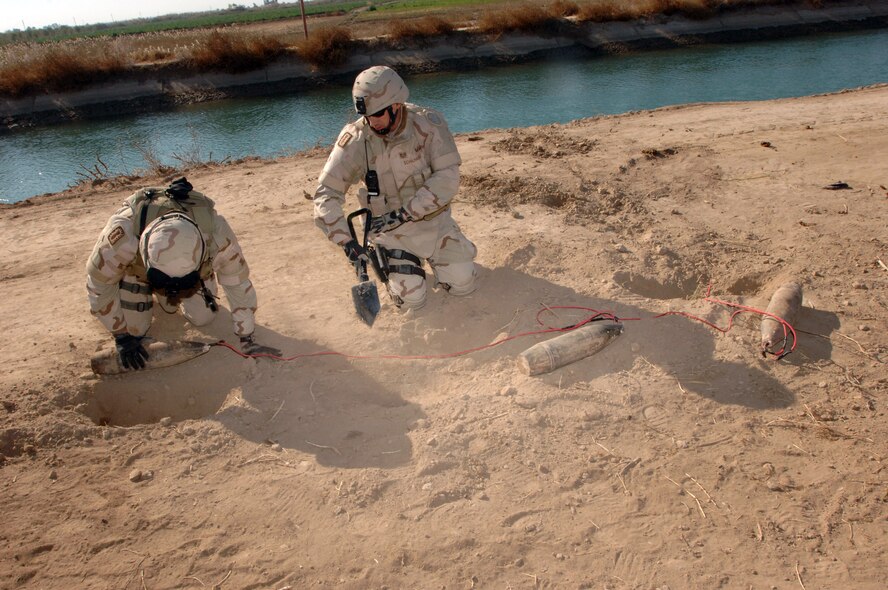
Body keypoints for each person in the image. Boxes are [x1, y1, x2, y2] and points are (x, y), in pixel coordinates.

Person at [313, 65, 477, 311]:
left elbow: (448, 177)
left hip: (435, 223)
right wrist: (347, 243)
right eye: (367, 115)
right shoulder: (356, 138)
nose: (372, 121)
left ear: (397, 104)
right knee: (413, 300)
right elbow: (326, 193)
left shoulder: (428, 124)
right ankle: (393, 269)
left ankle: (440, 260)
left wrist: (403, 213)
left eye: (378, 113)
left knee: (463, 283)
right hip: (390, 234)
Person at [86, 177, 279, 369]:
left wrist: (246, 338)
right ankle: (139, 292)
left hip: (189, 278)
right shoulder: (123, 235)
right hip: (137, 275)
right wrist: (121, 336)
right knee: (135, 330)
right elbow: (99, 285)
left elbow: (237, 284)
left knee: (204, 318)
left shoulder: (217, 235)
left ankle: (180, 288)